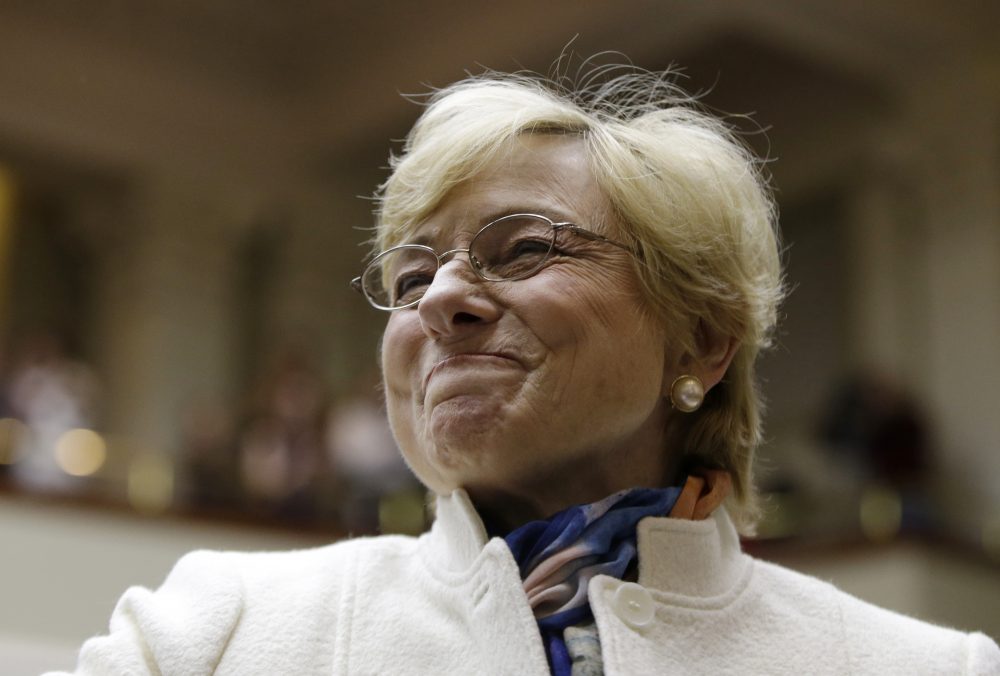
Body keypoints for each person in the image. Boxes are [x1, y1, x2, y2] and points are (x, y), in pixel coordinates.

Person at [51, 68, 999, 675]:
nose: (437, 300)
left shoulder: (931, 666)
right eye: (412, 275)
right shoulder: (215, 631)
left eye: (521, 249)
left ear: (701, 342)